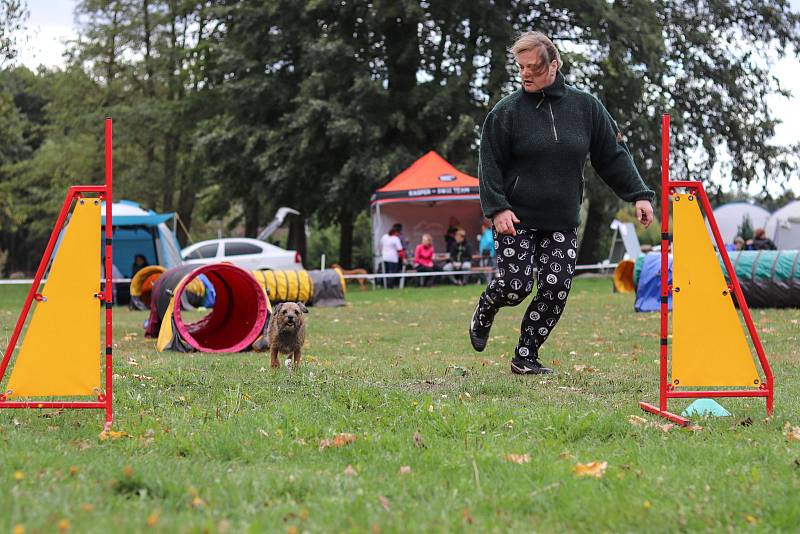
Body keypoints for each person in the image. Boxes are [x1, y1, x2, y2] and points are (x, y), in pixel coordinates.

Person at [468, 31, 655, 375]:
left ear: (554, 66)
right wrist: (496, 207)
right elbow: (489, 162)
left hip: (561, 219)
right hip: (515, 217)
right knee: (516, 285)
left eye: (534, 69)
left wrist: (639, 194)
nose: (525, 74)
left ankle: (525, 356)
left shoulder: (585, 107)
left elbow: (612, 156)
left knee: (555, 289)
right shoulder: (506, 112)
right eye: (521, 67)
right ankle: (487, 306)